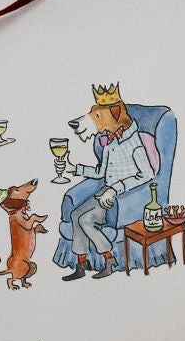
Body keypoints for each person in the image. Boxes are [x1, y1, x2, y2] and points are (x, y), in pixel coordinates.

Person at [63, 84, 154, 280]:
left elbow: (147, 173)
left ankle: (109, 260)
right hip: (103, 193)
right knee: (76, 214)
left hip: (119, 198)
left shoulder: (134, 144)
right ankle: (82, 264)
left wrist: (115, 189)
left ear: (115, 115)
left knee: (85, 220)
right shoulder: (110, 141)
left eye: (97, 116)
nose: (92, 120)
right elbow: (100, 172)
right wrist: (75, 168)